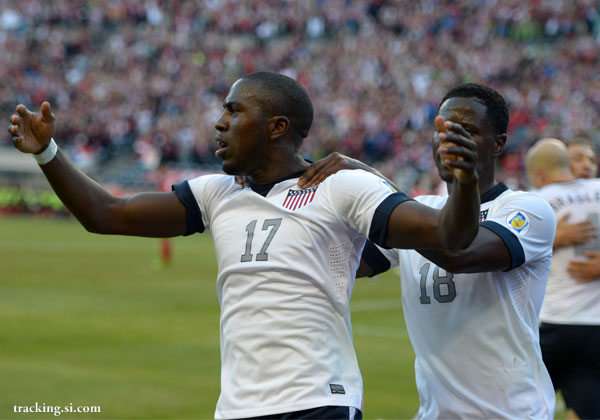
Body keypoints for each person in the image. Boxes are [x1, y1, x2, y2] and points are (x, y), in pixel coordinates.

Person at [8, 72, 482, 420]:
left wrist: (462, 181)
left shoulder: (342, 188)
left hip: (317, 403)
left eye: (234, 112)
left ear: (276, 127)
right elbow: (106, 215)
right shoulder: (217, 193)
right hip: (236, 408)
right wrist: (49, 153)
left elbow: (449, 236)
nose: (219, 123)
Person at [299, 83, 557, 419]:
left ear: (498, 144)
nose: (449, 141)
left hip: (512, 413)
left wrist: (374, 183)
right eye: (443, 130)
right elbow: (339, 263)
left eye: (467, 131)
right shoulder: (423, 209)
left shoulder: (527, 209)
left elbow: (458, 251)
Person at [526, 138, 600, 420]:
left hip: (553, 323)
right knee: (587, 408)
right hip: (595, 328)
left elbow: (500, 252)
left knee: (519, 406)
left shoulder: (535, 200)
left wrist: (550, 239)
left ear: (539, 174)